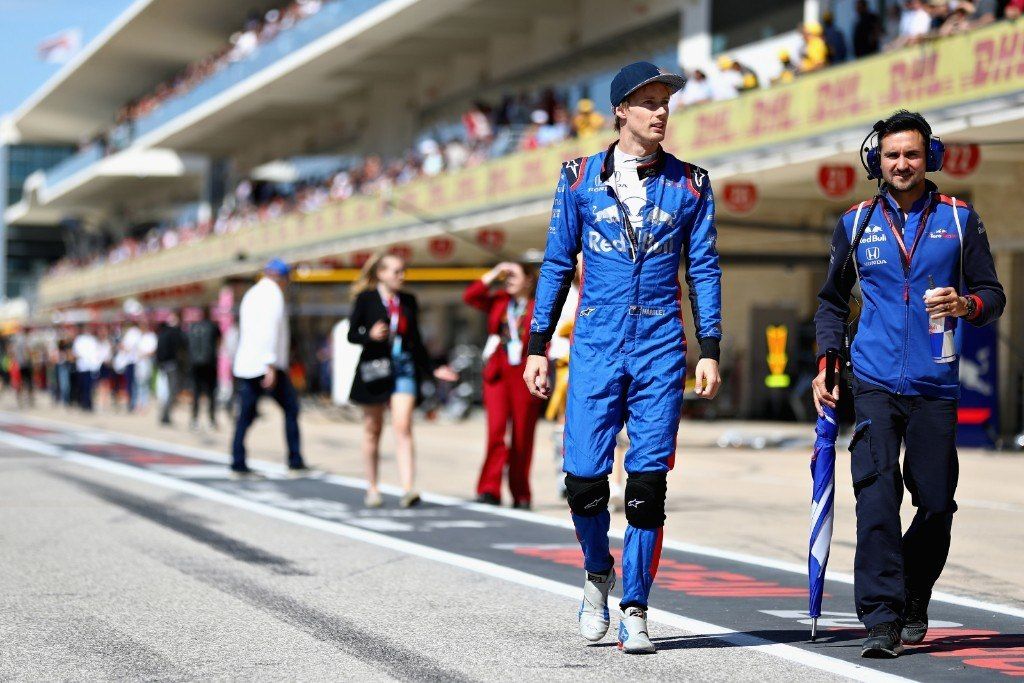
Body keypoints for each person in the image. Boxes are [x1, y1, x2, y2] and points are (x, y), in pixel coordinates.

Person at [523, 61, 723, 654]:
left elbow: (704, 267)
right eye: (649, 102)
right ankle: (596, 573)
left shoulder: (693, 183)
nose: (660, 112)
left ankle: (635, 606)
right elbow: (557, 264)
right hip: (594, 341)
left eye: (666, 102)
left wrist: (709, 347)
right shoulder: (578, 176)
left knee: (645, 487)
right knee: (583, 481)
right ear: (620, 110)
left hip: (662, 341)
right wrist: (536, 346)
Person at [813, 110, 1005, 658]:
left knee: (938, 503)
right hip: (872, 381)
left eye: (913, 154)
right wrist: (828, 362)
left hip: (935, 385)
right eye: (893, 155)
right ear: (877, 160)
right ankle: (880, 619)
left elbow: (994, 295)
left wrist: (966, 303)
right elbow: (830, 302)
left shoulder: (961, 220)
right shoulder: (855, 223)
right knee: (875, 501)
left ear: (931, 158)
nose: (902, 164)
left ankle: (914, 595)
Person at [347, 253, 457, 508]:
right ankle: (372, 487)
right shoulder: (366, 298)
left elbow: (416, 340)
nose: (401, 276)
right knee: (372, 429)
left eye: (402, 271)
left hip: (404, 367)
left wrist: (433, 369)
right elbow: (352, 334)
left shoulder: (408, 300)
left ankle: (407, 488)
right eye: (396, 271)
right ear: (381, 274)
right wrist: (370, 335)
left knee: (402, 425)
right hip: (375, 369)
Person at [464, 262, 544, 509]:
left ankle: (521, 493)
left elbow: (545, 338)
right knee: (496, 433)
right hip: (497, 374)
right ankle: (489, 489)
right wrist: (494, 272)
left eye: (513, 276)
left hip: (524, 373)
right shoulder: (499, 301)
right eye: (505, 276)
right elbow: (471, 296)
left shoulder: (538, 305)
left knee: (522, 435)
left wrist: (543, 371)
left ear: (529, 280)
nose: (507, 280)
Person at [231, 259, 308, 478]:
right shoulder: (273, 295)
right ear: (282, 277)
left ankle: (238, 462)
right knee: (291, 409)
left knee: (245, 414)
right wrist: (270, 364)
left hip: (248, 363)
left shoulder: (252, 293)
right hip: (266, 364)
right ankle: (295, 460)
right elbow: (269, 330)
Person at [188, 306, 222, 430]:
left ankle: (194, 419)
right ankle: (211, 420)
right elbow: (219, 342)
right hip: (210, 364)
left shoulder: (192, 327)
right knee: (211, 393)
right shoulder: (213, 326)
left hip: (195, 365)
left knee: (196, 393)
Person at [155, 313, 187, 425]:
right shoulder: (175, 333)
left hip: (164, 365)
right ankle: (165, 415)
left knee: (167, 390)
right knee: (172, 390)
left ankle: (165, 414)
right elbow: (182, 347)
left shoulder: (162, 333)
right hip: (172, 365)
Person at [72, 324, 101, 412]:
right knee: (84, 387)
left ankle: (88, 403)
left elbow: (96, 353)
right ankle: (84, 403)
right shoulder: (80, 340)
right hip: (83, 367)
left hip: (90, 367)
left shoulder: (92, 340)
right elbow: (76, 353)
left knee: (90, 387)